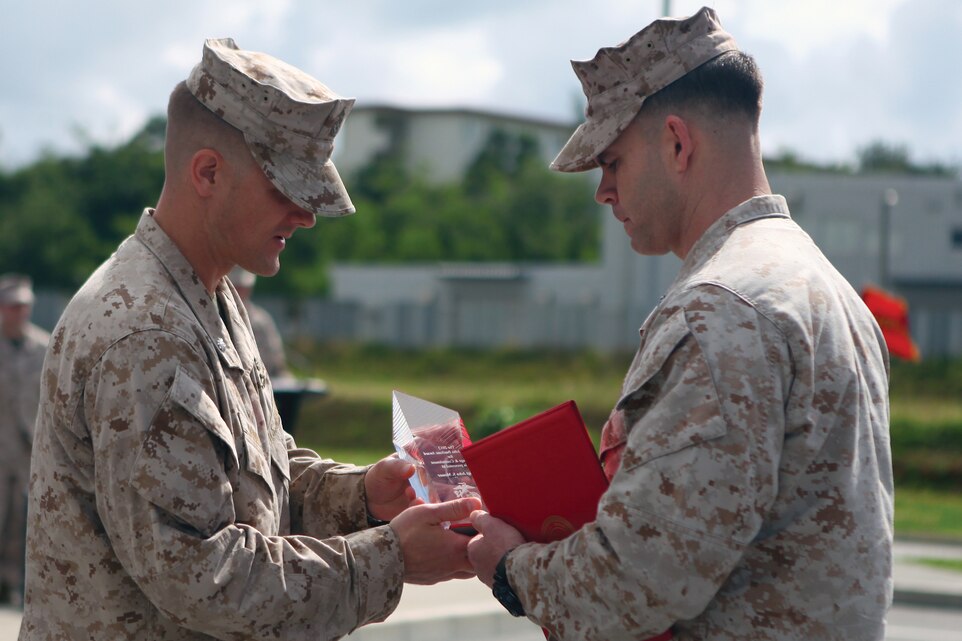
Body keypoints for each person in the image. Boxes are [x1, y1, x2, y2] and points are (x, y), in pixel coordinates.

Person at [21, 38, 479, 640]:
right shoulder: (145, 333)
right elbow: (205, 578)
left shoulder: (208, 297)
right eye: (284, 189)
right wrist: (389, 558)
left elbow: (254, 480)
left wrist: (362, 497)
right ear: (207, 172)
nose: (307, 214)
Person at [467, 7, 893, 640]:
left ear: (676, 143)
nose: (603, 192)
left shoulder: (721, 307)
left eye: (611, 163)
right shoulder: (819, 286)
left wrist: (508, 564)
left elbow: (635, 582)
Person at [0, 274, 50, 607]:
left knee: (22, 518)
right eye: (13, 306)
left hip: (28, 448)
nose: (20, 312)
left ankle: (13, 583)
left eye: (25, 306)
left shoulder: (43, 347)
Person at [229, 266, 290, 378]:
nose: (240, 291)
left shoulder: (261, 320)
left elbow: (277, 362)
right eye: (237, 286)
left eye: (244, 287)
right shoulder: (217, 316)